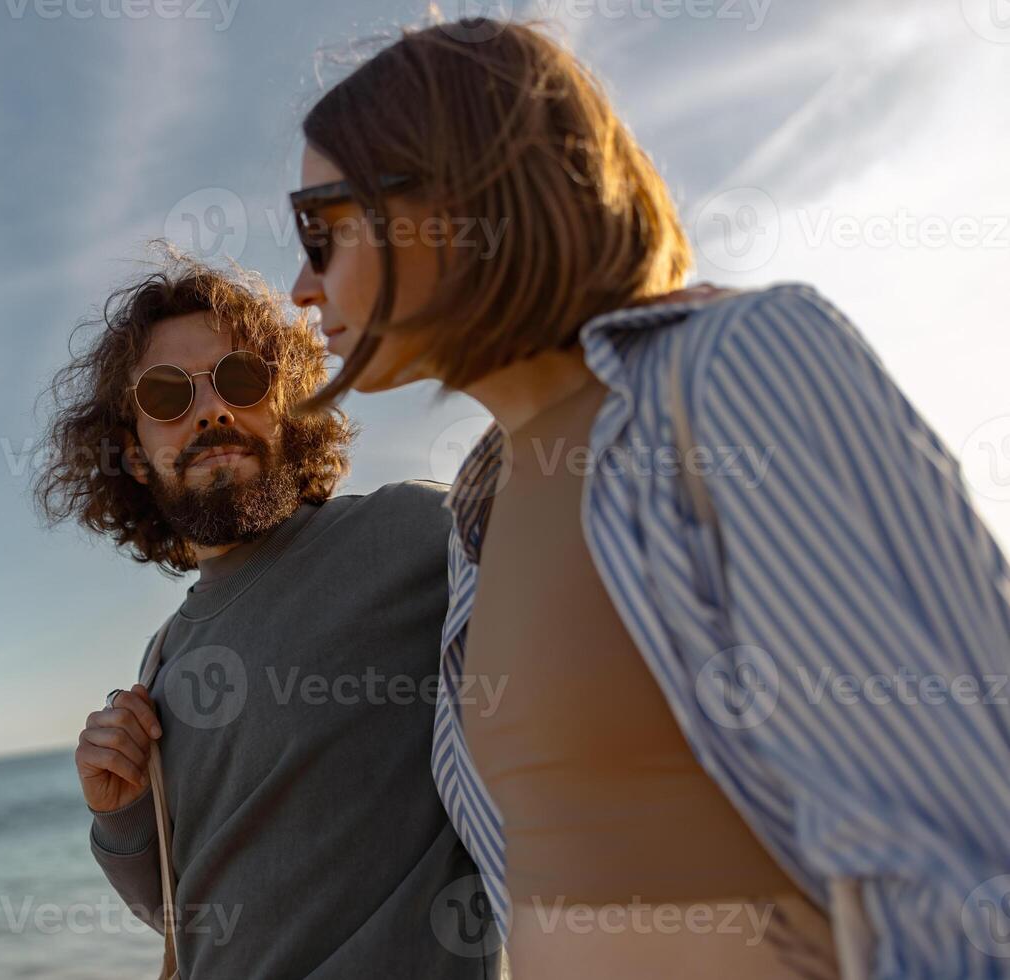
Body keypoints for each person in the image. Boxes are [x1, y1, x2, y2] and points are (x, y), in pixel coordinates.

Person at [286, 18, 1010, 979]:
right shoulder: (482, 509)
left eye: (320, 227)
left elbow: (964, 848)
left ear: (456, 199)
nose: (300, 284)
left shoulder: (732, 368)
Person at [35, 248, 503, 979]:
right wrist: (122, 814)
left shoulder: (412, 533)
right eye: (167, 397)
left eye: (241, 379)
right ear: (132, 452)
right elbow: (191, 920)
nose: (213, 410)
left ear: (288, 407)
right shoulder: (163, 658)